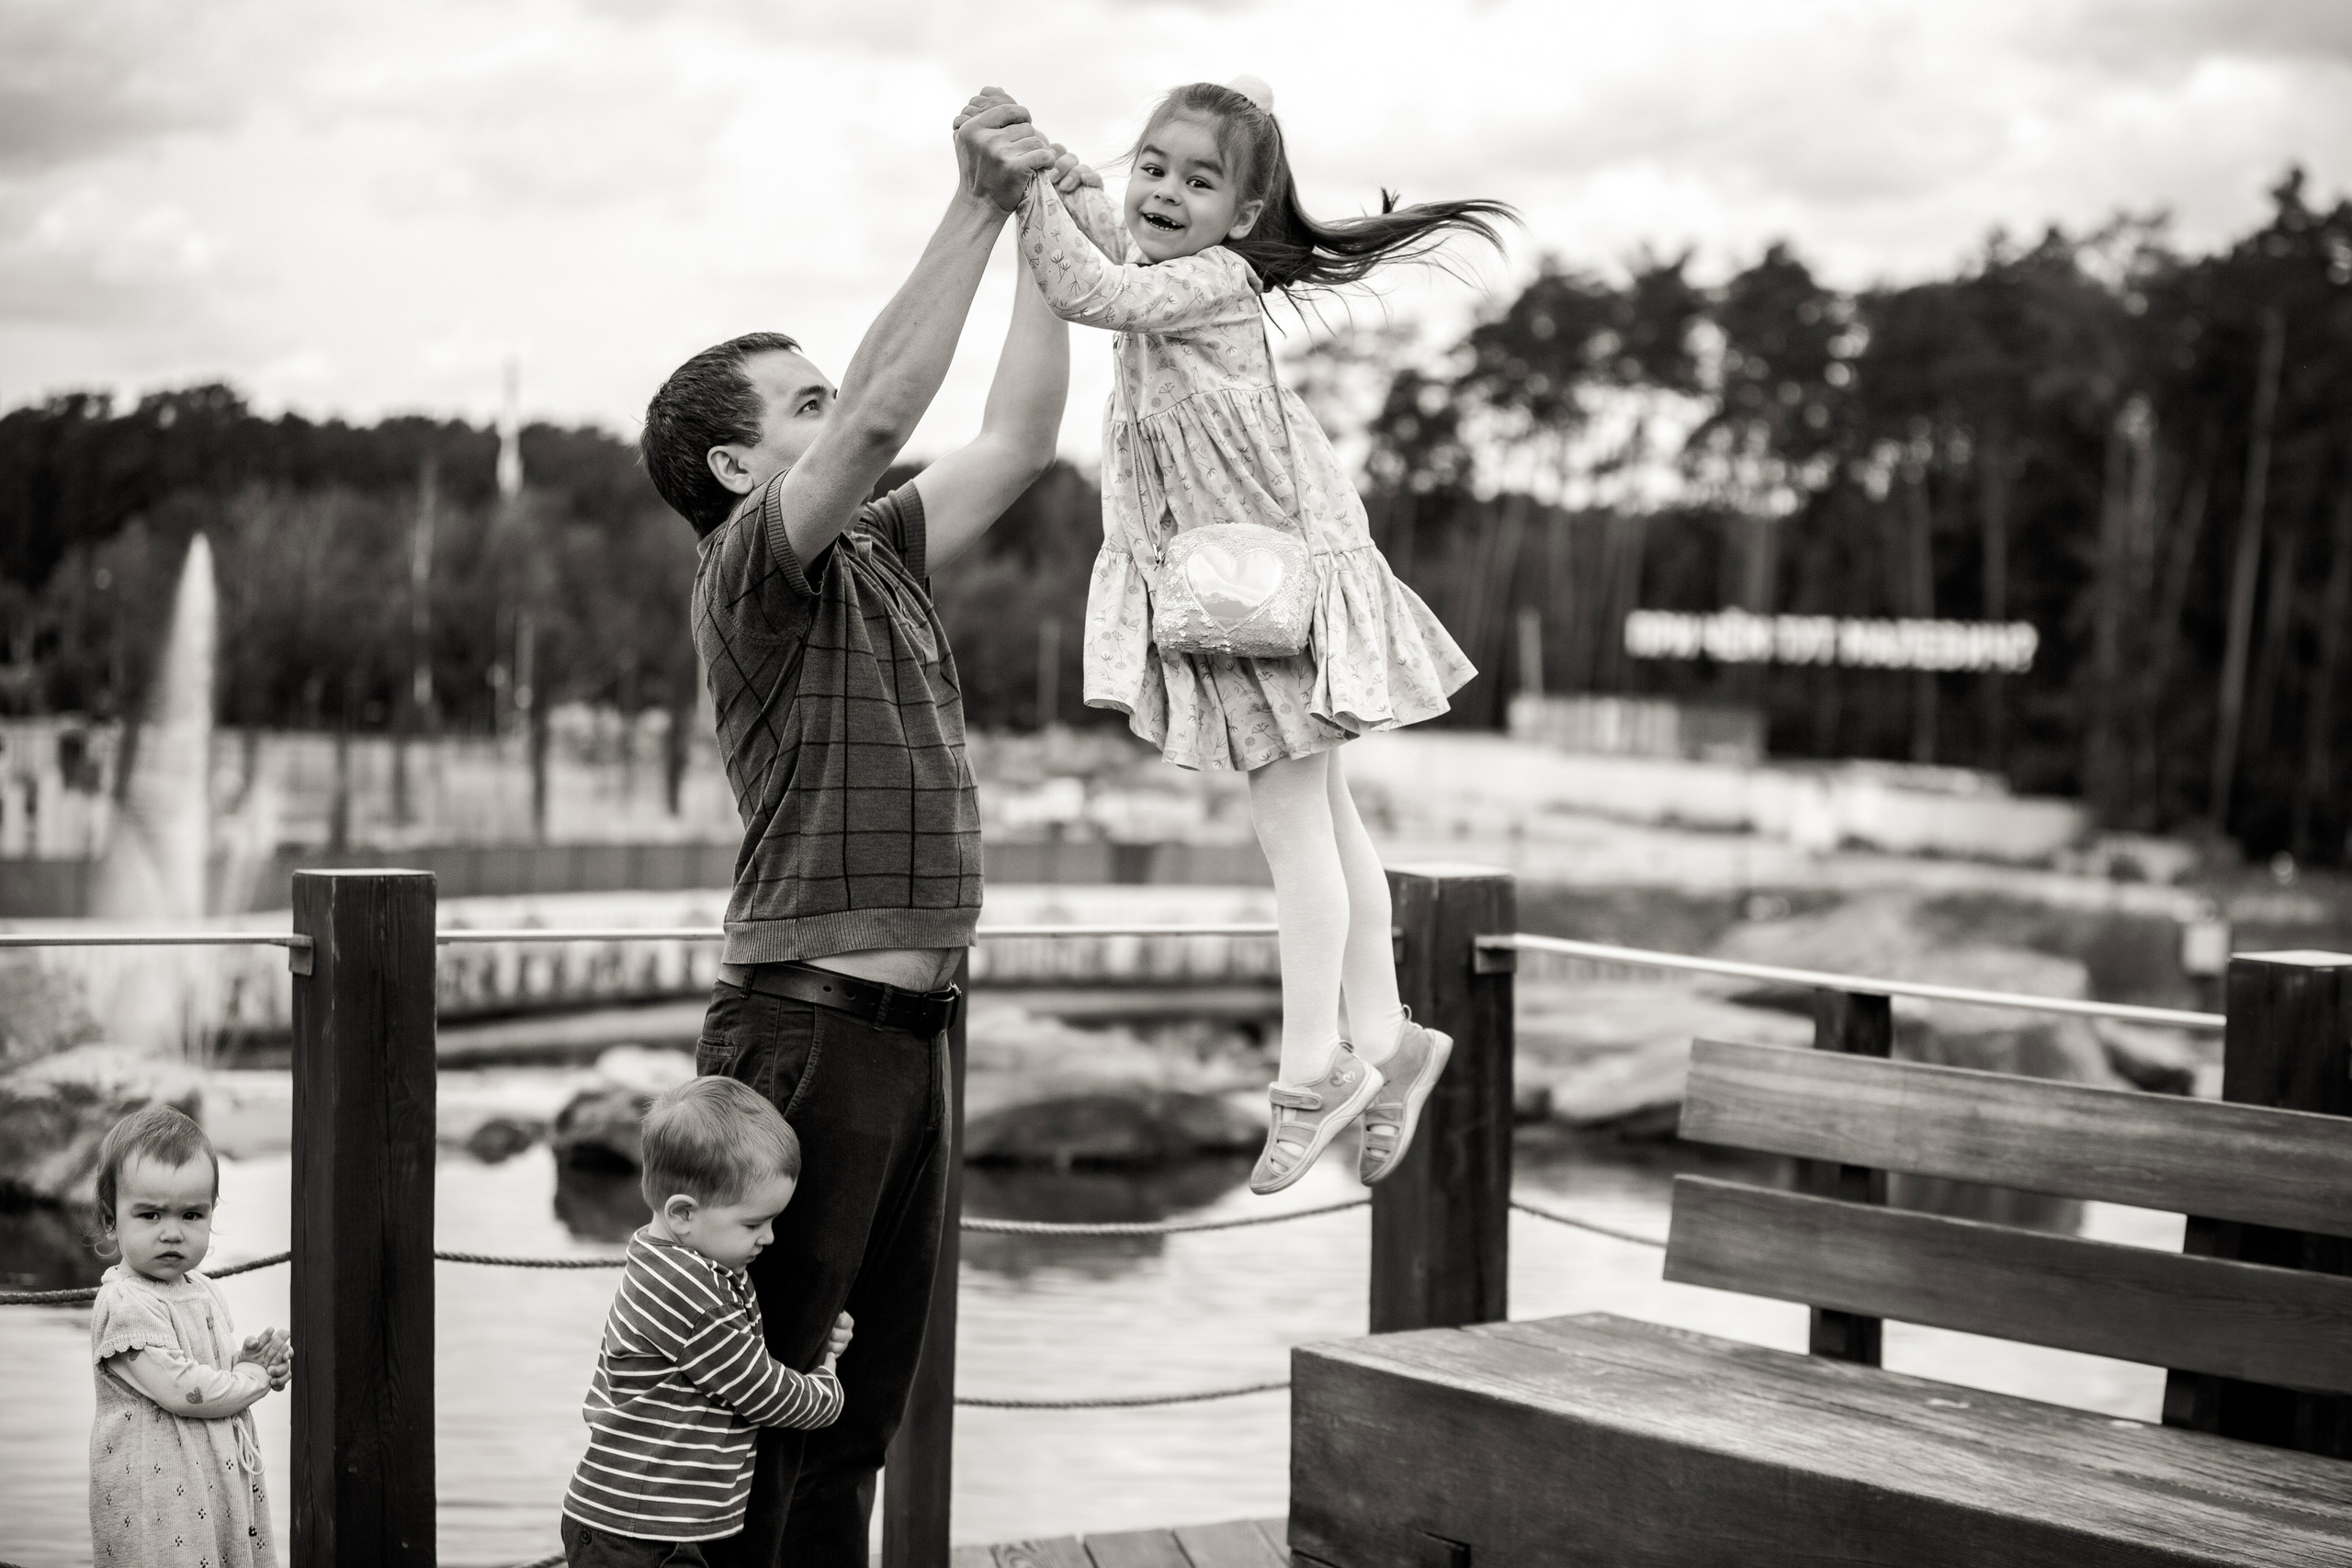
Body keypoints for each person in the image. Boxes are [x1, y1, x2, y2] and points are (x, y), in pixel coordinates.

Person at [636, 89, 1080, 1566]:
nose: (846, 416)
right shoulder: (745, 570)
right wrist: (967, 200)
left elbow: (1015, 437)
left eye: (831, 395)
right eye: (803, 405)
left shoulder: (878, 549)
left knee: (854, 1412)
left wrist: (1044, 232)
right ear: (736, 467)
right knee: (758, 1423)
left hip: (911, 1040)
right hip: (806, 1036)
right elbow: (893, 405)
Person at [1011, 79, 1513, 1194]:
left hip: (1266, 583)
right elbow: (1102, 239)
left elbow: (1082, 284)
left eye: (1199, 180)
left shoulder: (1212, 280)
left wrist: (1015, 190)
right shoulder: (1168, 266)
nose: (1164, 191)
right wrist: (1061, 174)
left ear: (1242, 217)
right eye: (1153, 165)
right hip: (1246, 577)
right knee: (1326, 820)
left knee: (1291, 832)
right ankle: (1386, 1041)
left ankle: (1312, 1072)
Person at [561, 1077, 853, 1566]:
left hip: (642, 1524)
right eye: (753, 1224)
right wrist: (828, 1386)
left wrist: (826, 1335)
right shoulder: (686, 1294)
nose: (771, 1238)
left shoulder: (680, 1265)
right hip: (637, 1535)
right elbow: (759, 1390)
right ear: (683, 1214)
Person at [86, 1105, 291, 1568]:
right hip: (158, 1498)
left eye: (192, 1215)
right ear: (110, 1219)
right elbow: (185, 1391)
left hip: (212, 1479)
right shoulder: (125, 1306)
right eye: (151, 1215)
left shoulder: (200, 1291)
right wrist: (253, 1380)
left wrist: (244, 1361)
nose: (172, 1233)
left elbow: (207, 1370)